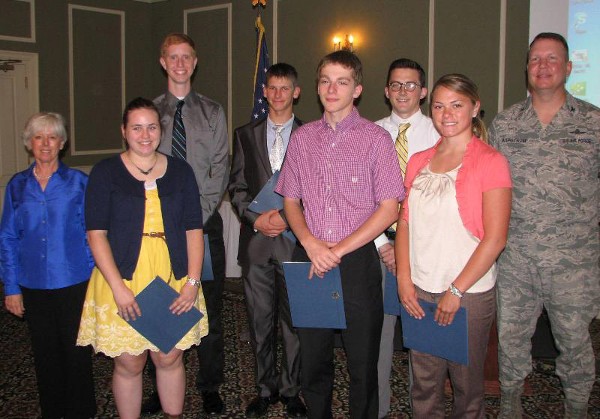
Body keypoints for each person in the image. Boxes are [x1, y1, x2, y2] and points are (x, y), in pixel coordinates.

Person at [276, 50, 405, 418]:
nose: (332, 89)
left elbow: (388, 208)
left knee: (363, 363)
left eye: (342, 81)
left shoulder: (376, 139)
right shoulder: (302, 139)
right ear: (317, 88)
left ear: (357, 89)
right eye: (325, 81)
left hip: (357, 262)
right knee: (314, 359)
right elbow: (290, 199)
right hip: (311, 258)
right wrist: (311, 243)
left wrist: (338, 249)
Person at [489, 32, 599, 419]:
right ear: (527, 69)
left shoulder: (594, 123)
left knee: (575, 344)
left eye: (552, 59)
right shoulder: (505, 125)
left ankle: (577, 407)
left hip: (575, 264)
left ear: (568, 68)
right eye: (535, 59)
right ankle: (510, 403)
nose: (543, 66)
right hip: (517, 259)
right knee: (512, 341)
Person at [76, 97, 209, 419]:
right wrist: (118, 289)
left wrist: (192, 282)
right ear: (124, 131)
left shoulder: (180, 171)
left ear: (160, 131)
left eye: (151, 127)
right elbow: (96, 234)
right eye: (137, 127)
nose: (145, 134)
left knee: (169, 357)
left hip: (173, 274)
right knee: (130, 361)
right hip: (121, 277)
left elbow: (194, 229)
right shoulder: (105, 172)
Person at [396, 73, 512, 418]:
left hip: (467, 296)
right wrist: (404, 280)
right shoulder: (418, 160)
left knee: (466, 388)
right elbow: (405, 223)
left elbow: (495, 239)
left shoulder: (491, 162)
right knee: (424, 386)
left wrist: (456, 290)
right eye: (439, 106)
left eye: (457, 105)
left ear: (475, 108)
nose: (447, 114)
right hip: (420, 291)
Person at [149, 32, 230, 416]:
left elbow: (219, 169)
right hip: (156, 229)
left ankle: (209, 384)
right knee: (159, 303)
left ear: (195, 63)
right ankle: (158, 383)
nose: (180, 63)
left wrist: (194, 219)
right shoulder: (148, 113)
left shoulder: (213, 112)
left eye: (186, 57)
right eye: (173, 57)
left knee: (207, 305)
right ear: (163, 62)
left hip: (202, 223)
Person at [0, 112, 97, 419]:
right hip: (33, 285)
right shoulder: (16, 186)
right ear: (29, 143)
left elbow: (91, 235)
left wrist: (98, 282)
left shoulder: (79, 183)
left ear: (62, 143)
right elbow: (8, 238)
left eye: (52, 136)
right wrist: (11, 288)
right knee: (45, 356)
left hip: (75, 281)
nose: (45, 143)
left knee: (77, 354)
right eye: (38, 137)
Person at [229, 63, 308, 418]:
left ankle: (291, 390)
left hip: (296, 241)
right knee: (260, 321)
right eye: (271, 88)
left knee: (294, 323)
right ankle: (264, 388)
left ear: (296, 92)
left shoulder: (312, 134)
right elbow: (237, 186)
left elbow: (319, 189)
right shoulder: (245, 133)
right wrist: (257, 218)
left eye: (284, 88)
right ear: (265, 92)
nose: (277, 94)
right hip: (258, 241)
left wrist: (287, 217)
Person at [373, 58, 439, 419]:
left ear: (423, 91)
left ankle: (422, 411)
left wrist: (411, 249)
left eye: (410, 85)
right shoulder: (370, 133)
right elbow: (361, 201)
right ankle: (379, 411)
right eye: (396, 85)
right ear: (386, 91)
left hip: (423, 254)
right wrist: (384, 245)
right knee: (379, 341)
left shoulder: (439, 133)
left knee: (422, 342)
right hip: (380, 250)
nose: (402, 91)